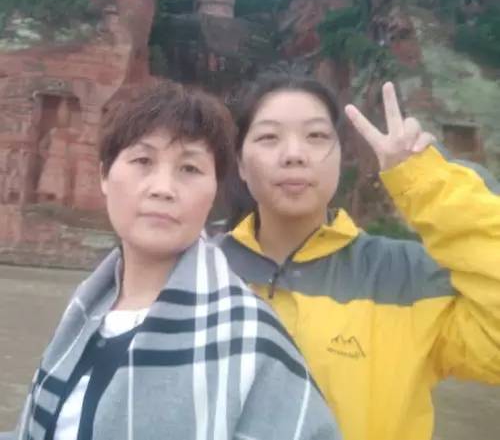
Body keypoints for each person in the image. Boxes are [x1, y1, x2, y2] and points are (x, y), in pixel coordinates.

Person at [14, 80, 341, 440]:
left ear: (214, 190)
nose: (163, 188)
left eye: (189, 169)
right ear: (105, 175)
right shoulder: (81, 316)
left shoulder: (250, 336)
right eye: (143, 161)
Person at [219, 68, 500, 440]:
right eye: (269, 137)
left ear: (341, 157)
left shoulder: (405, 276)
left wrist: (425, 182)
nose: (294, 155)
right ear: (240, 163)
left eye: (316, 136)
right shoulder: (202, 271)